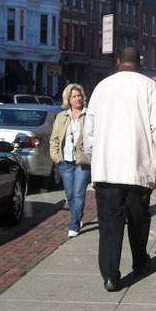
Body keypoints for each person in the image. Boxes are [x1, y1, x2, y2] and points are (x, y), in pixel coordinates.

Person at [83, 46, 156, 292]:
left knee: (109, 224)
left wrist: (94, 155)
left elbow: (89, 131)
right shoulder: (149, 86)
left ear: (119, 61)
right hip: (138, 167)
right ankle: (140, 261)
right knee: (139, 219)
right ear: (139, 63)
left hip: (107, 169)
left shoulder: (102, 87)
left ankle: (110, 275)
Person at [49, 83, 91, 238]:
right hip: (65, 161)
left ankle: (73, 225)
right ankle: (77, 216)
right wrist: (56, 157)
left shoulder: (89, 115)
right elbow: (54, 139)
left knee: (79, 193)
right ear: (68, 99)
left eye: (79, 96)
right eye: (74, 96)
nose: (78, 99)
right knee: (70, 195)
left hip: (82, 161)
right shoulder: (62, 117)